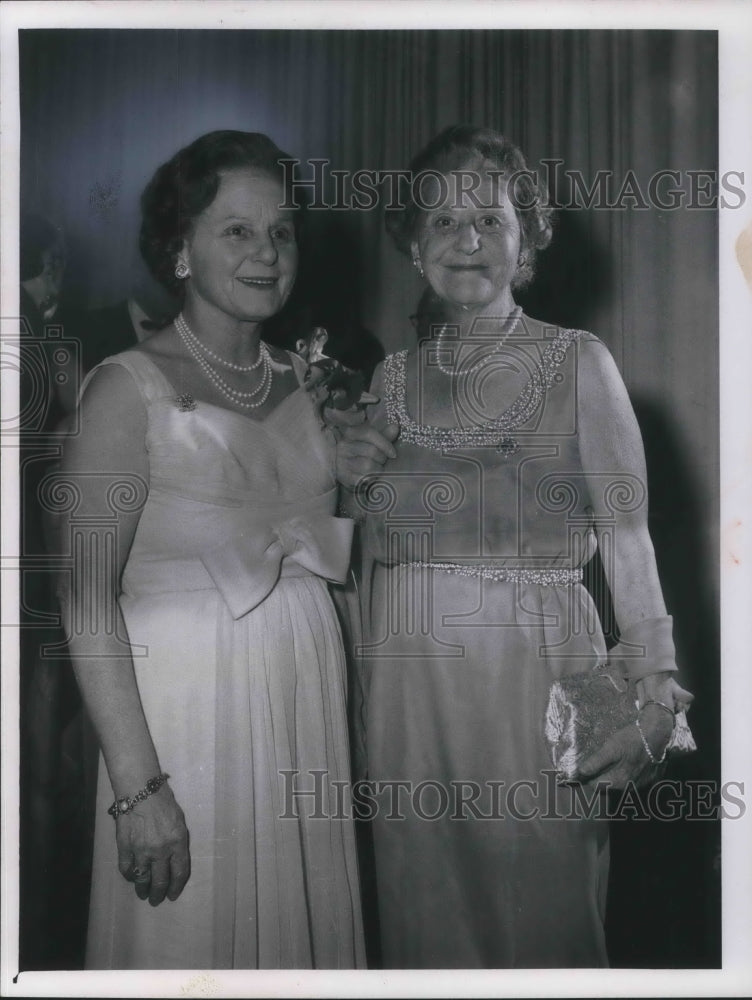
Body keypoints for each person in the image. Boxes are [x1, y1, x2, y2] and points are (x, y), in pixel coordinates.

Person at [335, 125, 694, 968]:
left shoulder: (578, 360)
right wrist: (348, 481)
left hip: (538, 667)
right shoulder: (387, 378)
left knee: (544, 919)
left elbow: (628, 532)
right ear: (413, 245)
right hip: (408, 687)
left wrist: (655, 691)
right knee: (422, 920)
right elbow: (367, 550)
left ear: (524, 238)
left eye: (489, 221)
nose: (467, 240)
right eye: (443, 223)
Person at [54, 130, 365, 969]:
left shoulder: (314, 388)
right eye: (237, 230)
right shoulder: (127, 387)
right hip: (181, 728)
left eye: (282, 231)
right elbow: (83, 601)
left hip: (304, 714)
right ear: (178, 248)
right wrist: (139, 789)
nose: (267, 252)